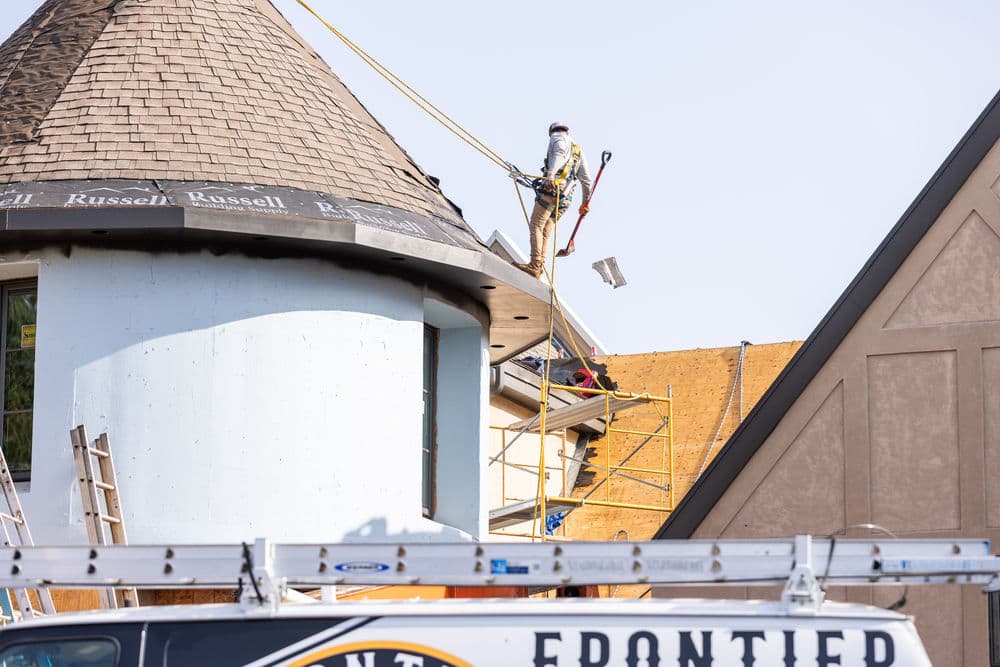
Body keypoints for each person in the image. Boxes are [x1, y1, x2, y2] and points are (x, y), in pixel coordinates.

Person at [515, 122, 593, 278]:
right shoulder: (577, 149)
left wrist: (550, 174)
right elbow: (587, 181)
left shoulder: (557, 138)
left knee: (536, 224)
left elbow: (558, 153)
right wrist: (585, 203)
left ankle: (535, 264)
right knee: (545, 230)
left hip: (552, 190)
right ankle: (538, 265)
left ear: (551, 132)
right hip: (565, 198)